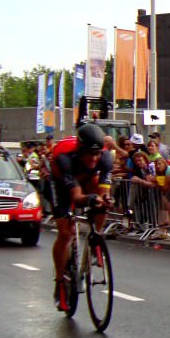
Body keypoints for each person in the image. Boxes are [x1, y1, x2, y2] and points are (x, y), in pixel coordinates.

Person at [51, 123, 113, 311]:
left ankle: (95, 240)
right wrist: (91, 198)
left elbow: (103, 191)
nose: (94, 158)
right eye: (89, 154)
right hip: (62, 183)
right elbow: (77, 198)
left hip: (87, 177)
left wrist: (104, 199)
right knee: (65, 233)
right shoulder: (64, 158)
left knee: (102, 203)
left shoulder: (105, 159)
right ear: (80, 150)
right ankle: (60, 281)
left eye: (97, 154)